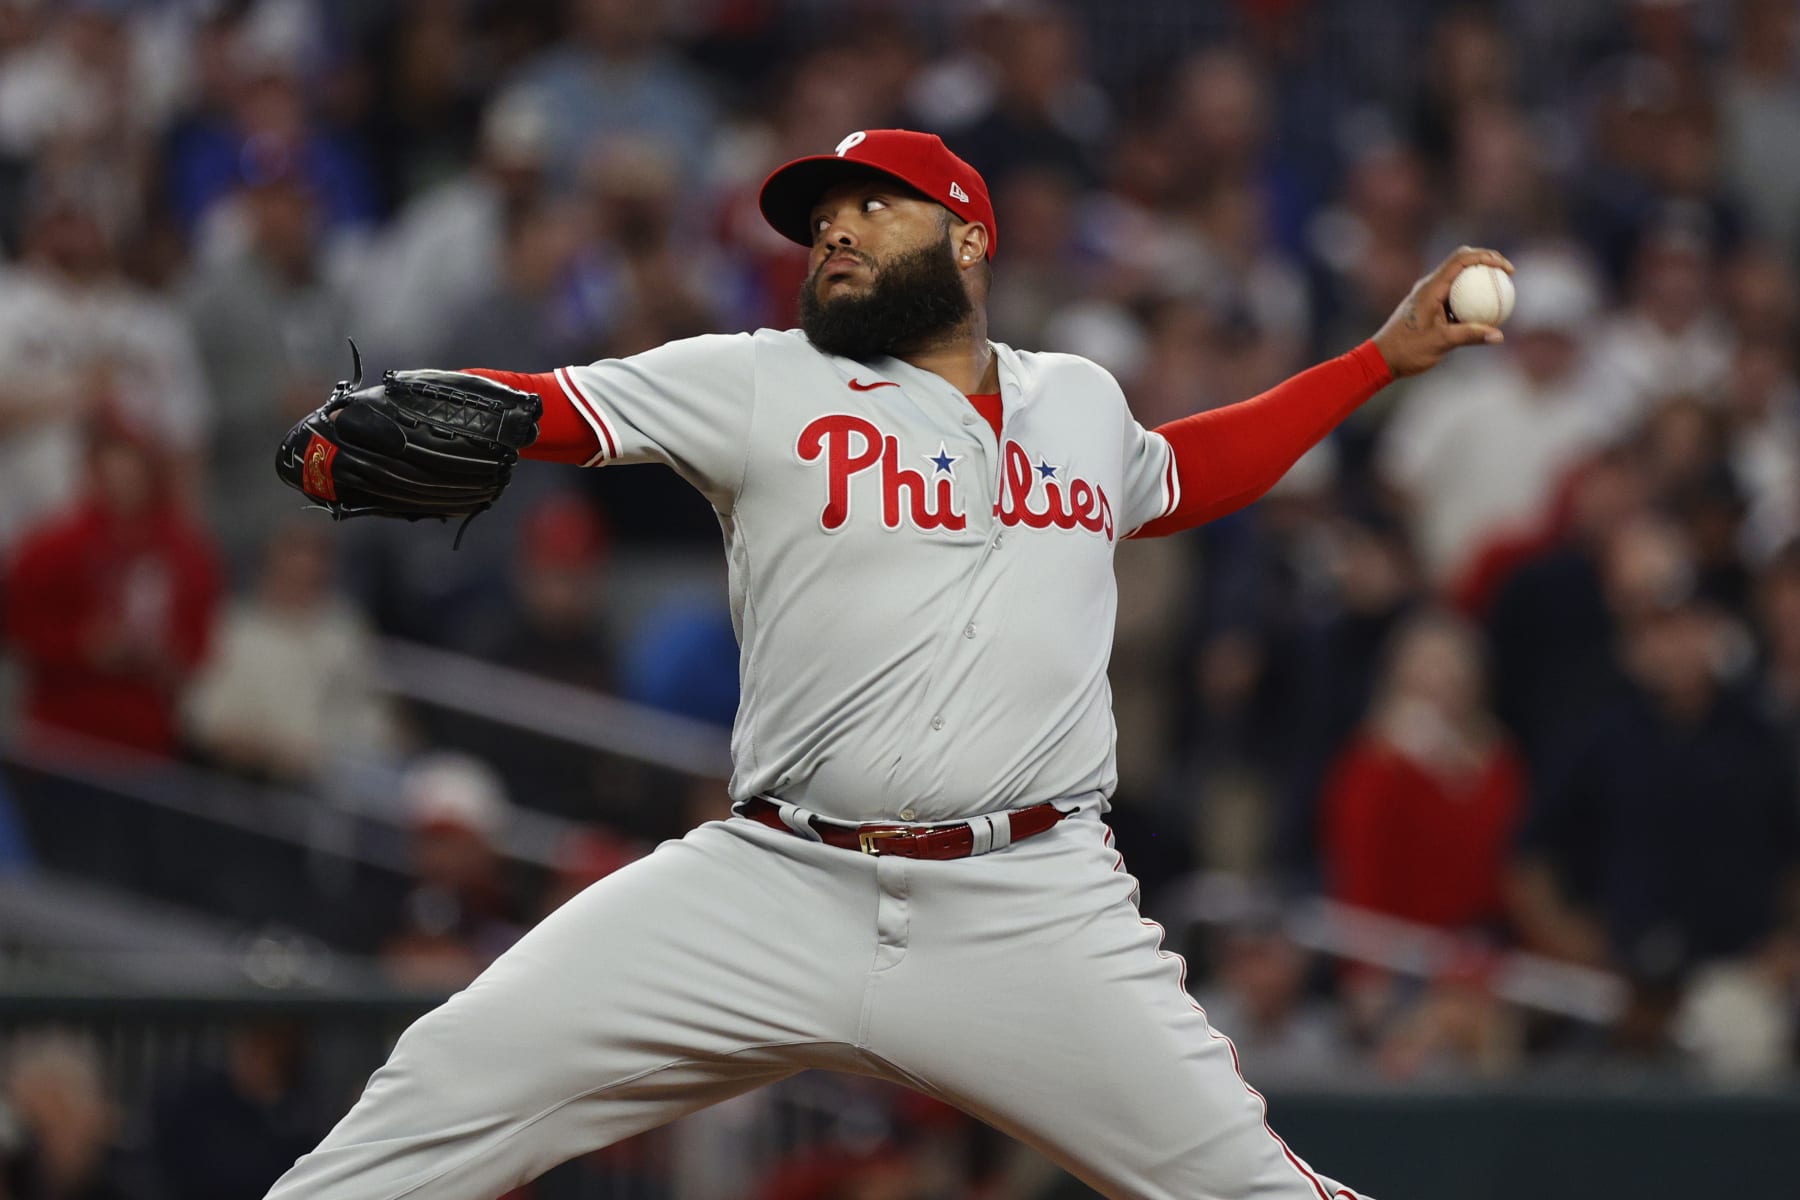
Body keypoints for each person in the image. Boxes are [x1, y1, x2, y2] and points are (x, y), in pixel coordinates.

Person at [265, 129, 1509, 1200]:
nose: (835, 233)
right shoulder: (763, 380)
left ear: (969, 238)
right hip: (772, 882)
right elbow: (555, 405)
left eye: (871, 208)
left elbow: (1184, 474)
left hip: (1029, 904)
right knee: (446, 1082)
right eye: (820, 222)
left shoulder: (1077, 399)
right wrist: (453, 403)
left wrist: (1376, 362)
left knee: (1246, 1187)